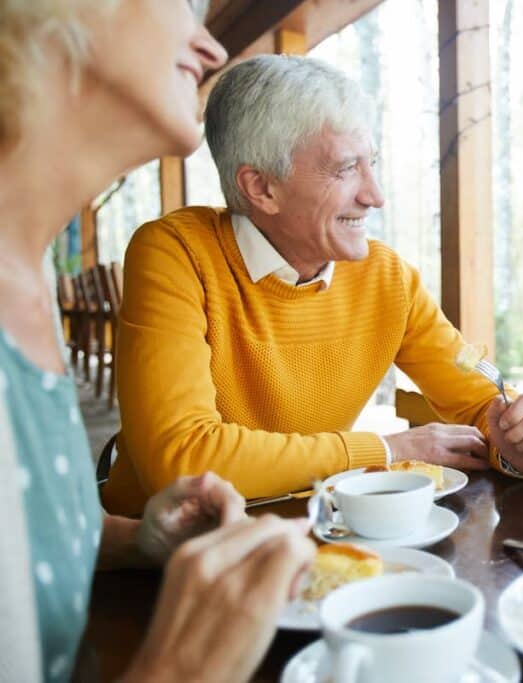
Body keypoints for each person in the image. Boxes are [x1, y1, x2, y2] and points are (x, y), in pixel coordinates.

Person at [101, 54, 523, 515]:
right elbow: (181, 461)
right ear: (262, 188)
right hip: (155, 561)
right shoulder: (175, 254)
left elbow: (482, 407)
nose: (375, 195)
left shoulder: (387, 279)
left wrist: (520, 444)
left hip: (304, 541)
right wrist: (382, 450)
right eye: (347, 169)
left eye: (372, 163)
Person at [0, 1, 315, 680]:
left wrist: (135, 541)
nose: (209, 49)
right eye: (180, 4)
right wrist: (180, 670)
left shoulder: (24, 286)